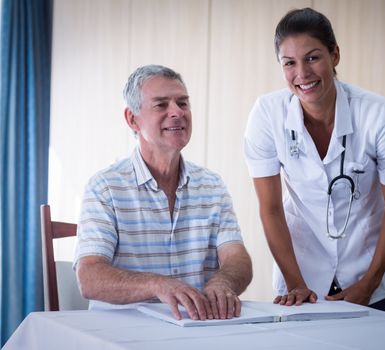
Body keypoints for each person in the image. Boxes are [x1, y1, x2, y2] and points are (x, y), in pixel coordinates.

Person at [243, 8, 385, 312]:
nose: (302, 74)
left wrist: (369, 283)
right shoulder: (267, 115)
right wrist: (295, 282)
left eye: (312, 58)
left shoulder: (376, 114)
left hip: (367, 274)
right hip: (300, 276)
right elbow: (270, 208)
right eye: (289, 63)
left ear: (334, 55)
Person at [74, 64, 252, 321]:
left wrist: (224, 282)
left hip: (195, 330)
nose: (177, 113)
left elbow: (237, 258)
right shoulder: (105, 187)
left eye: (182, 103)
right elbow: (89, 278)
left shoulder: (212, 185)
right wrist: (157, 285)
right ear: (132, 119)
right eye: (161, 105)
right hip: (122, 333)